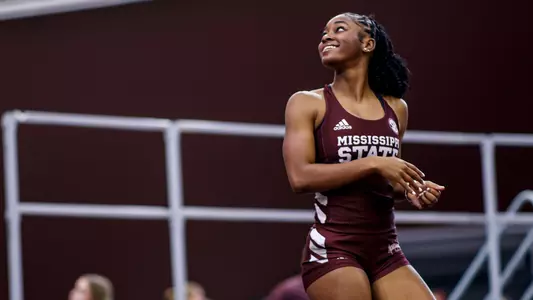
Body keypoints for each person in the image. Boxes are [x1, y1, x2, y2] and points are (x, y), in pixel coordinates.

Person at [282, 12, 446, 300]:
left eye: (339, 29)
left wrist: (410, 188)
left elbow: (386, 183)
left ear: (368, 44)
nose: (326, 36)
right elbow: (300, 177)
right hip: (333, 246)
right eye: (324, 32)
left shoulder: (396, 108)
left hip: (386, 249)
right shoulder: (307, 102)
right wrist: (375, 162)